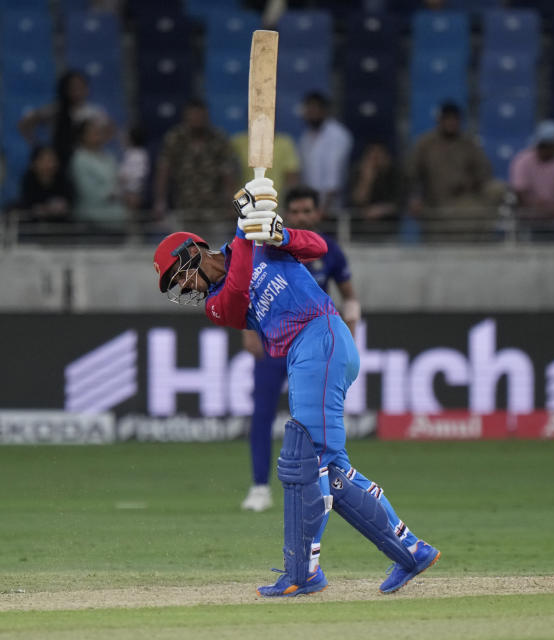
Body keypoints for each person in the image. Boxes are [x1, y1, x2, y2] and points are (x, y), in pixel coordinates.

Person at [151, 175, 438, 596]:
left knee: (306, 462)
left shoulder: (259, 240)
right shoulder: (216, 305)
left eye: (182, 276)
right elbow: (235, 290)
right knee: (329, 470)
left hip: (321, 335)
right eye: (179, 287)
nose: (187, 287)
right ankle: (410, 552)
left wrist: (278, 232)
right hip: (307, 352)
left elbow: (319, 249)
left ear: (192, 250)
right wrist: (246, 226)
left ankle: (303, 573)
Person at [240, 185, 360, 513]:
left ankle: (327, 484)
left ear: (318, 213)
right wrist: (248, 331)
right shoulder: (270, 243)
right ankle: (260, 487)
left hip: (316, 346)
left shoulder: (329, 250)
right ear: (287, 214)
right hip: (274, 344)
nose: (303, 216)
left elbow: (349, 296)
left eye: (309, 211)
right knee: (262, 413)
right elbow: (249, 285)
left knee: (315, 420)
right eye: (297, 211)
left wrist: (350, 330)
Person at [407, 101, 497, 239]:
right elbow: (411, 173)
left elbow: (485, 171)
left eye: (455, 119)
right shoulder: (425, 144)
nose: (451, 122)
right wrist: (415, 196)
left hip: (465, 198)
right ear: (439, 120)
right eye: (447, 119)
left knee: (496, 190)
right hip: (435, 202)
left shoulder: (468, 143)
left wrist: (469, 182)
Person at [152, 98, 238, 232]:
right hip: (184, 207)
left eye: (200, 116)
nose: (196, 120)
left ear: (206, 116)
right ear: (186, 117)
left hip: (214, 209)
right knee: (183, 250)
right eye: (193, 116)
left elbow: (228, 173)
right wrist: (160, 202)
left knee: (214, 250)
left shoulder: (218, 138)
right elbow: (164, 170)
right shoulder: (175, 138)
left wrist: (232, 203)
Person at [18, 70, 111, 166]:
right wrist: (36, 143)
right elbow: (25, 124)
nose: (77, 91)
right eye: (73, 87)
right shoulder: (55, 109)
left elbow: (110, 130)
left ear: (87, 88)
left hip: (88, 161)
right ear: (65, 89)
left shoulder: (95, 112)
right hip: (62, 159)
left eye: (80, 86)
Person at [509, 119, 554, 237]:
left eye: (552, 145)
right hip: (530, 213)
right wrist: (535, 207)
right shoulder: (522, 160)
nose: (547, 149)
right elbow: (520, 192)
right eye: (543, 145)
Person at [70, 118, 127, 235]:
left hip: (117, 220)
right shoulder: (79, 159)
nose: (98, 134)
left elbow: (119, 182)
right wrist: (114, 192)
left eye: (99, 131)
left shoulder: (109, 157)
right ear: (82, 136)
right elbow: (89, 192)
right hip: (93, 222)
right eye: (93, 132)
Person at [298, 92, 352, 213]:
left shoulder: (337, 134)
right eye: (308, 110)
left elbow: (334, 176)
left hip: (332, 207)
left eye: (314, 109)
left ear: (324, 110)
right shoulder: (305, 138)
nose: (311, 114)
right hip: (311, 207)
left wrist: (323, 209)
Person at [350, 141, 405, 240]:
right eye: (372, 157)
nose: (375, 161)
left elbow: (399, 202)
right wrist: (367, 180)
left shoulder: (394, 174)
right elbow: (357, 201)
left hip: (388, 230)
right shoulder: (358, 173)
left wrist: (380, 210)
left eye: (378, 156)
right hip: (362, 231)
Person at [17, 145, 74, 233]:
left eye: (52, 160)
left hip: (60, 228)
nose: (49, 165)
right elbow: (28, 205)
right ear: (34, 163)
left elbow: (70, 201)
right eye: (44, 160)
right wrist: (42, 209)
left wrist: (61, 207)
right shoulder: (28, 180)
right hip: (32, 228)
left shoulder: (63, 179)